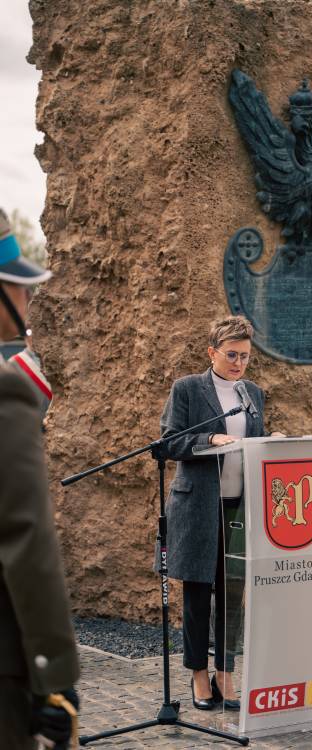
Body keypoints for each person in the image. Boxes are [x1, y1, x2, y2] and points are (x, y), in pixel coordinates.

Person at [0, 208, 79, 748]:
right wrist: (56, 676)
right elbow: (26, 541)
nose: (26, 302)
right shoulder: (7, 394)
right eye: (18, 288)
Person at [160, 315, 268, 711]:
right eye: (232, 355)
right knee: (198, 594)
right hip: (198, 505)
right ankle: (198, 675)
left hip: (239, 505)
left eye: (245, 357)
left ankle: (226, 672)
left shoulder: (252, 392)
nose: (239, 363)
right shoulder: (188, 389)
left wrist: (269, 442)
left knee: (232, 594)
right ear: (212, 353)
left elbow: (253, 442)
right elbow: (169, 441)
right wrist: (210, 438)